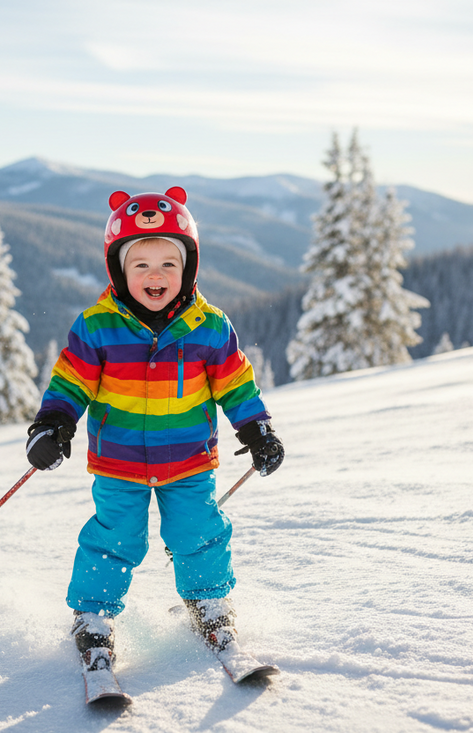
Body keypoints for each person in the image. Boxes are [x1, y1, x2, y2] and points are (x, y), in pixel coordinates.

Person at [25, 186, 284, 678]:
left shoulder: (208, 326)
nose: (155, 276)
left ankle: (209, 608)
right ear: (118, 270)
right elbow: (71, 380)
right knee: (114, 539)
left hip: (188, 462)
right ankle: (93, 617)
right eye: (140, 264)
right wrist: (54, 424)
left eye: (168, 263)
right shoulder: (97, 326)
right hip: (118, 464)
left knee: (198, 534)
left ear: (188, 268)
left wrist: (257, 429)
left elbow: (234, 381)